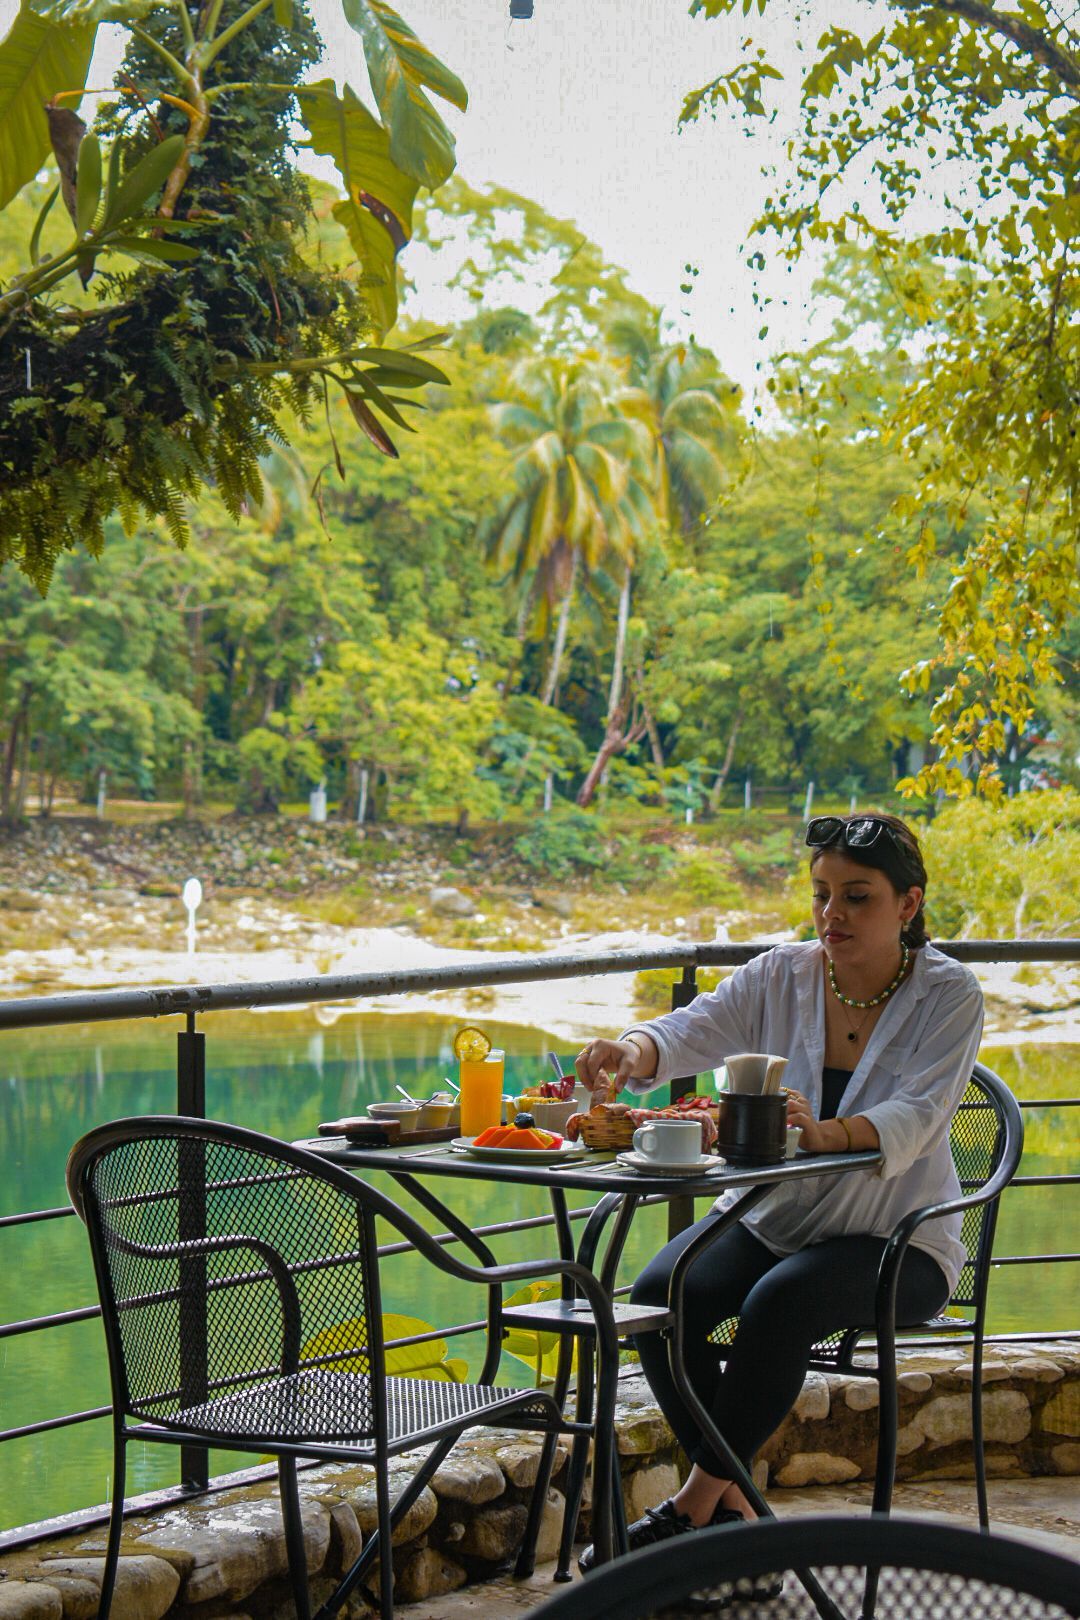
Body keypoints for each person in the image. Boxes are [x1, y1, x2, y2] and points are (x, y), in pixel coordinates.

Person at [574, 813, 983, 1573]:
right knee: (663, 1294)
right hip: (781, 1215)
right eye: (823, 894)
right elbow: (695, 1027)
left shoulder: (949, 994)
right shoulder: (783, 974)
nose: (833, 915)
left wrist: (821, 1132)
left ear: (909, 903)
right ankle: (733, 1513)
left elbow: (922, 1116)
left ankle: (691, 1507)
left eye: (858, 896)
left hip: (898, 1239)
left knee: (779, 1304)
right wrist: (629, 1050)